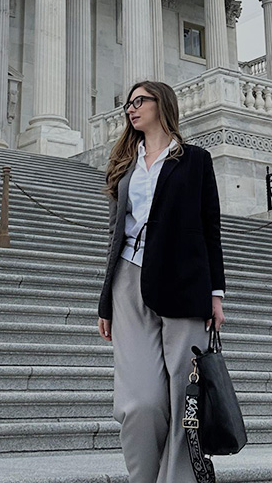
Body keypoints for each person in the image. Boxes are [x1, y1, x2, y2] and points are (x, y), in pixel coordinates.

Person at [97, 81, 226, 483]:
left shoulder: (196, 160)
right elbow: (115, 234)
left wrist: (215, 295)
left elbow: (211, 229)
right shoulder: (125, 165)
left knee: (183, 397)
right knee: (139, 402)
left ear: (161, 105)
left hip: (185, 284)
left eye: (139, 102)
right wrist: (105, 300)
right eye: (128, 105)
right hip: (128, 280)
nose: (131, 110)